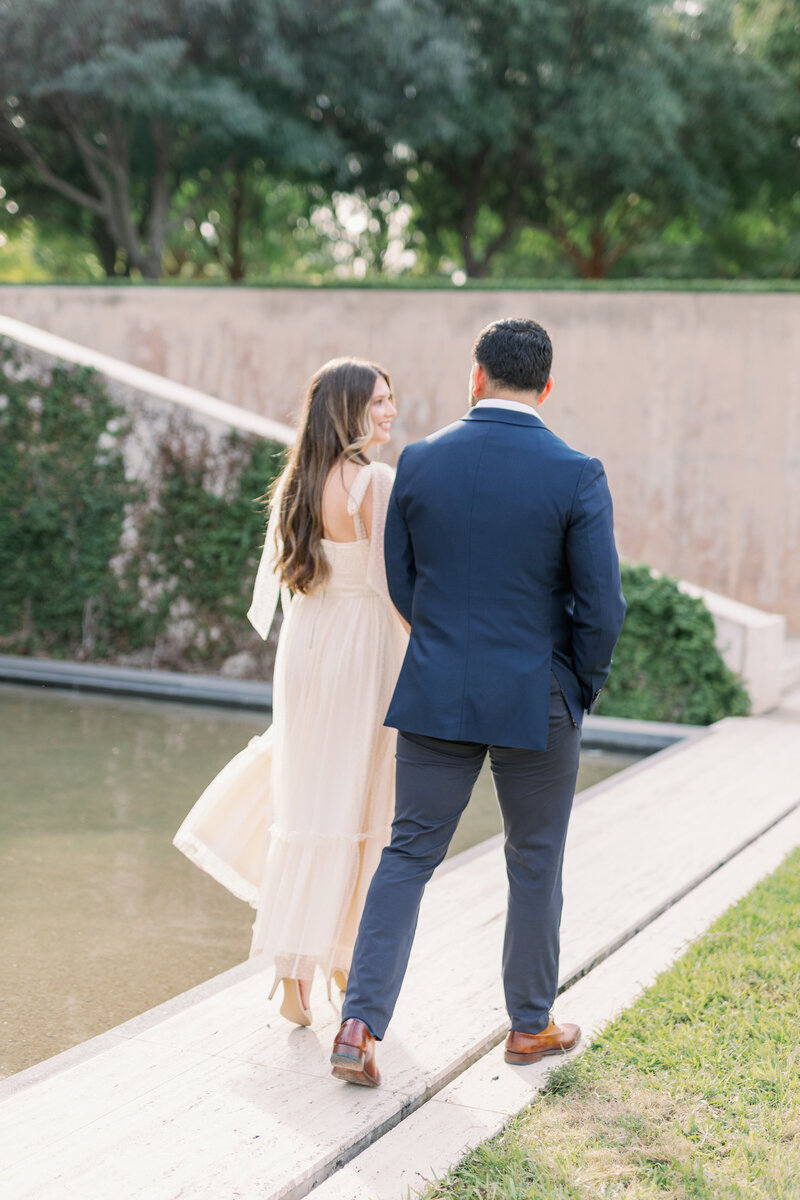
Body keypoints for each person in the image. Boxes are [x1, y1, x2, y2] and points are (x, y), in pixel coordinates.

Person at [330, 318, 626, 1087]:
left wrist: (439, 647)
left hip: (436, 690)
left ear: (476, 376)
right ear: (547, 386)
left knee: (407, 852)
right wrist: (577, 685)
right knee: (535, 859)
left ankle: (358, 1027)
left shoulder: (421, 463)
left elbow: (400, 578)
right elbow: (603, 607)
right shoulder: (576, 472)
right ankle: (530, 1028)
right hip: (540, 696)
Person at [174, 358, 408, 1027]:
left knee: (309, 798)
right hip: (364, 651)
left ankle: (293, 974)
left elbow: (293, 582)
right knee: (360, 800)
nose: (391, 411)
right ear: (349, 411)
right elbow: (394, 589)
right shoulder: (373, 482)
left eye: (392, 400)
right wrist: (432, 655)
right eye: (380, 402)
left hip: (306, 648)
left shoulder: (295, 485)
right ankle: (338, 958)